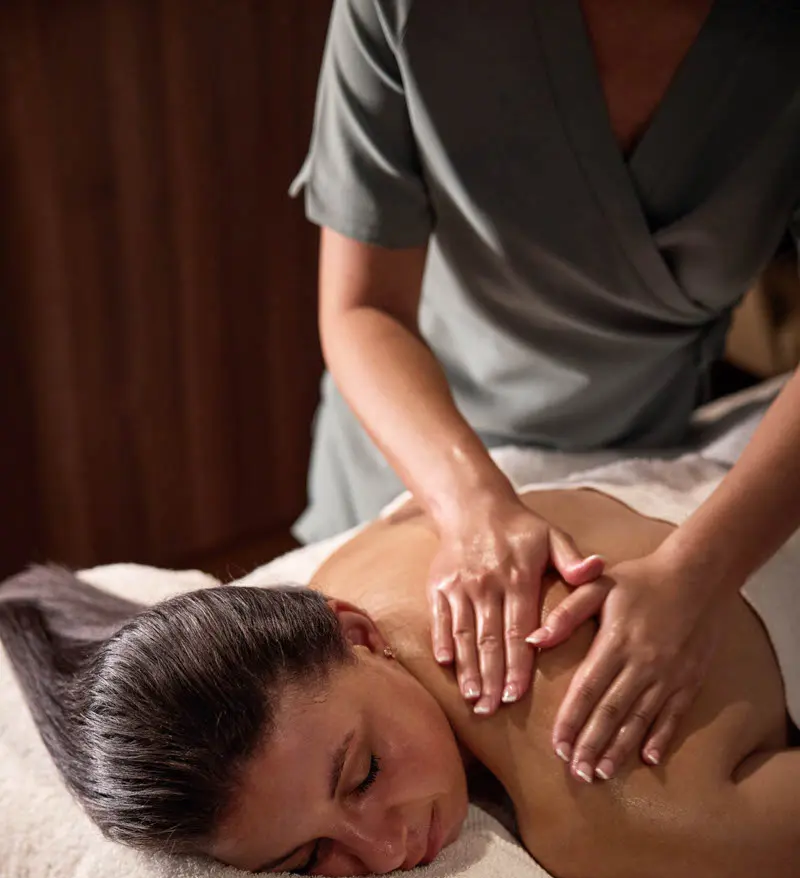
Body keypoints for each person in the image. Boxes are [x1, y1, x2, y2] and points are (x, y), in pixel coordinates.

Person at [290, 0, 800, 786]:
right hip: (410, 452)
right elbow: (364, 308)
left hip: (642, 464)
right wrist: (472, 505)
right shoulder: (407, 14)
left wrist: (703, 571)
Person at [2, 461, 799, 878]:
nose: (386, 849)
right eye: (308, 858)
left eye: (364, 773)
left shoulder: (605, 807)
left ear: (357, 634)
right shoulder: (350, 568)